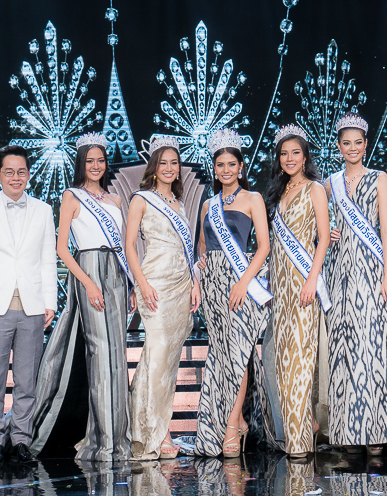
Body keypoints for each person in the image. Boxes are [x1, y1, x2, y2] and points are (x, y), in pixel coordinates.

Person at [30, 133, 135, 461]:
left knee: (117, 354)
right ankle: (104, 441)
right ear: (81, 164)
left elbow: (125, 247)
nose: (95, 166)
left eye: (100, 160)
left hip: (116, 273)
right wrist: (88, 283)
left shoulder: (116, 200)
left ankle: (120, 437)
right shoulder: (71, 196)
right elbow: (62, 248)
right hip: (88, 268)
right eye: (89, 161)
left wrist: (131, 285)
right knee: (100, 352)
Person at [323, 113, 387, 456]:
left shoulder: (379, 177)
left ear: (366, 145)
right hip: (339, 270)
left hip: (371, 266)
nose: (352, 148)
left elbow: (386, 229)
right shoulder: (329, 183)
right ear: (338, 146)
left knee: (375, 344)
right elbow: (321, 220)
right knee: (345, 345)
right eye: (346, 143)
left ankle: (379, 428)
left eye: (358, 143)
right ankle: (350, 429)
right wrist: (328, 231)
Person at [0, 145, 57, 466]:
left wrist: (49, 302)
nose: (15, 177)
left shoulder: (43, 210)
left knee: (26, 379)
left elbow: (48, 259)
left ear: (28, 175)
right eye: (9, 172)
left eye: (21, 172)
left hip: (32, 305)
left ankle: (20, 439)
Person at [192, 128, 275, 458]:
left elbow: (264, 247)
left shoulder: (253, 199)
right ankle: (235, 419)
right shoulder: (207, 205)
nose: (226, 170)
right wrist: (200, 273)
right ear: (214, 169)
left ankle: (232, 424)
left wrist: (242, 282)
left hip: (240, 282)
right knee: (222, 353)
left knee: (239, 352)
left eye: (231, 164)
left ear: (241, 167)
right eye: (220, 165)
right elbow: (201, 247)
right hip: (213, 284)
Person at [125, 136, 201, 460]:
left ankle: (156, 428)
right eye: (163, 163)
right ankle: (154, 433)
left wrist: (195, 283)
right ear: (154, 167)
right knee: (156, 356)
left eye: (174, 163)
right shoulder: (141, 199)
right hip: (154, 284)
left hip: (181, 284)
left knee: (166, 362)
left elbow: (187, 251)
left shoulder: (180, 204)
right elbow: (129, 246)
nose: (169, 168)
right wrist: (140, 284)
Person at [264, 125, 331, 458]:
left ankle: (299, 441)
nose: (289, 158)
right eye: (284, 153)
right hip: (280, 286)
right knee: (283, 362)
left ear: (305, 157)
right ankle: (301, 428)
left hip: (304, 282)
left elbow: (323, 239)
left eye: (296, 153)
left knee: (301, 360)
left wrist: (311, 280)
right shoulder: (278, 193)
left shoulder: (315, 189)